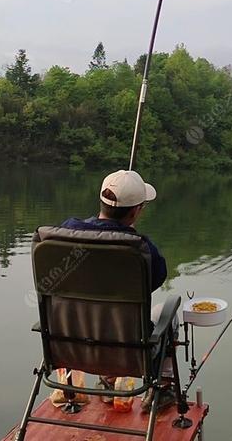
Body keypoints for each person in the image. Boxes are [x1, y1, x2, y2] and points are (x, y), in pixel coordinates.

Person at [61, 169, 176, 411]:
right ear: (135, 211)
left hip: (68, 345)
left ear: (102, 201)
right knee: (169, 313)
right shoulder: (142, 249)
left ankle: (107, 382)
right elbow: (152, 283)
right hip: (130, 352)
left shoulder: (64, 234)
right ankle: (162, 391)